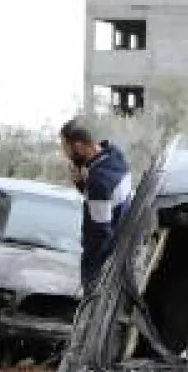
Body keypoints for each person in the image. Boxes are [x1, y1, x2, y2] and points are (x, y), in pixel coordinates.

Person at [58, 119, 133, 292]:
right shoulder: (114, 155)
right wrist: (81, 185)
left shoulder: (98, 181)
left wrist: (93, 270)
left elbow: (100, 233)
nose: (65, 154)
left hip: (100, 265)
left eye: (65, 147)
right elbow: (108, 199)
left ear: (78, 146)